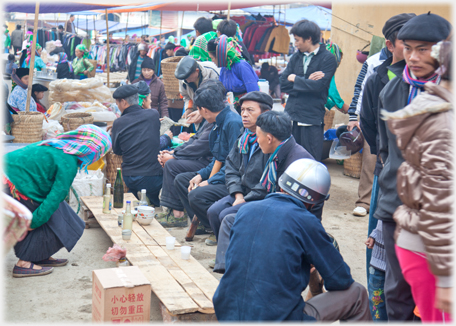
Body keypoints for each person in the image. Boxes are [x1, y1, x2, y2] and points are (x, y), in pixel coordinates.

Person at [213, 158, 371, 322]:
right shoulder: (307, 222)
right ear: (316, 202)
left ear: (281, 185)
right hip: (276, 319)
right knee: (357, 293)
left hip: (227, 314)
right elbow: (340, 280)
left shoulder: (245, 211)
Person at [375, 12, 451, 321]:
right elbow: (384, 148)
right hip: (398, 206)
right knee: (399, 291)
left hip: (443, 209)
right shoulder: (390, 91)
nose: (414, 57)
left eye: (424, 48)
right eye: (408, 48)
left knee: (439, 295)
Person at [359, 13, 416, 321]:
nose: (415, 55)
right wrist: (387, 157)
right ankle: (380, 312)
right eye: (409, 46)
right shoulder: (379, 78)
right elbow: (368, 124)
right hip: (390, 174)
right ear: (393, 45)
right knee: (384, 251)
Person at [212, 110, 317, 273]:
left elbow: (297, 207)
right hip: (276, 205)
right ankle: (233, 266)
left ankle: (230, 272)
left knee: (231, 219)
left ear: (269, 138)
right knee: (227, 214)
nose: (256, 140)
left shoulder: (298, 162)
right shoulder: (280, 149)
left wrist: (249, 204)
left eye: (258, 136)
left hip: (290, 217)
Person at [4, 125, 112, 277]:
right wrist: (32, 223)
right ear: (92, 150)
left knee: (60, 213)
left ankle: (39, 256)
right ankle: (24, 263)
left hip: (12, 181)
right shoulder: (68, 161)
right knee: (55, 217)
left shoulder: (58, 145)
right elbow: (55, 198)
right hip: (12, 186)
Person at [206, 91, 273, 247]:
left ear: (266, 113)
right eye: (242, 110)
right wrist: (238, 195)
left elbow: (267, 181)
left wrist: (244, 198)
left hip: (260, 197)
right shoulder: (244, 136)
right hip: (241, 192)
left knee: (225, 215)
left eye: (250, 110)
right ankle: (227, 251)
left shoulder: (269, 139)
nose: (244, 114)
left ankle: (233, 256)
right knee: (213, 212)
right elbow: (231, 166)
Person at [173, 80, 242, 231]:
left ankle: (214, 226)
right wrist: (200, 175)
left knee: (196, 194)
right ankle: (204, 225)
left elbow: (233, 165)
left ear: (203, 110)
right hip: (219, 173)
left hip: (232, 180)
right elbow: (218, 158)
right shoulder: (218, 121)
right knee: (182, 180)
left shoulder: (232, 123)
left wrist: (210, 181)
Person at [279, 20, 337, 161]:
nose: (295, 44)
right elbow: (283, 84)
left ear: (309, 39)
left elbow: (318, 87)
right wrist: (307, 82)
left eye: (297, 40)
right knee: (289, 158)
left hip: (312, 117)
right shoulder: (296, 57)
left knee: (310, 159)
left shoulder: (328, 59)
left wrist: (295, 79)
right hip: (291, 115)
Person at [110, 85, 163, 207]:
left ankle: (136, 196)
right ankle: (151, 199)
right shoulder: (154, 115)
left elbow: (117, 150)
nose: (117, 107)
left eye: (117, 103)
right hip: (153, 179)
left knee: (135, 190)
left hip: (130, 178)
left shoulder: (118, 123)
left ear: (123, 102)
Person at [207, 35, 259, 112]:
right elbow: (222, 90)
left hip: (247, 109)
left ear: (220, 55)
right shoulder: (224, 68)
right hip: (233, 108)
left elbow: (254, 93)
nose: (212, 61)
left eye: (212, 58)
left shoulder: (241, 65)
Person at [174, 55, 219, 123]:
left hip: (215, 111)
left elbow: (217, 97)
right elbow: (186, 95)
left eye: (189, 78)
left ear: (197, 71)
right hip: (199, 110)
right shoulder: (184, 78)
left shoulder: (211, 72)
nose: (187, 81)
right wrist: (189, 108)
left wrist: (202, 113)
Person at [134, 80, 173, 150]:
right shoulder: (149, 116)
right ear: (143, 101)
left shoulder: (132, 116)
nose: (151, 101)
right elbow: (150, 146)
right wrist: (166, 137)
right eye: (149, 98)